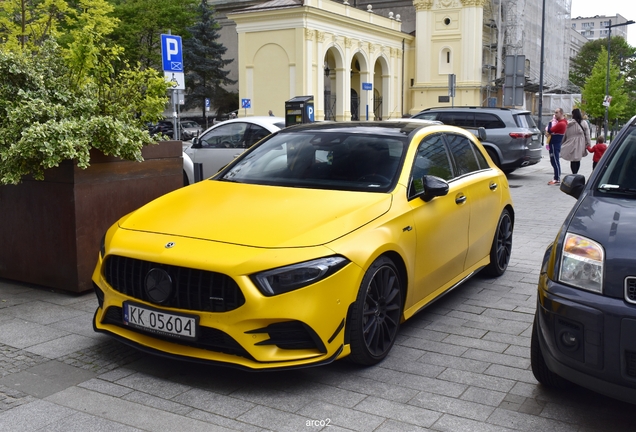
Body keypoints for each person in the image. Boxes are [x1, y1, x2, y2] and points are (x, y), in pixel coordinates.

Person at [560, 108, 591, 175]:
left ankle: (573, 173)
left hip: (570, 142)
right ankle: (575, 173)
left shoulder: (568, 123)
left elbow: (564, 134)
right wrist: (588, 143)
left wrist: (562, 142)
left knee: (572, 159)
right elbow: (587, 134)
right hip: (580, 143)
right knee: (577, 159)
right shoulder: (584, 123)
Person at [546, 108, 568, 185]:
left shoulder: (561, 123)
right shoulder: (562, 122)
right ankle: (556, 177)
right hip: (553, 144)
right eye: (554, 112)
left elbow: (550, 130)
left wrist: (550, 123)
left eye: (557, 112)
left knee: (555, 161)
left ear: (561, 113)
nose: (555, 114)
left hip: (554, 144)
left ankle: (557, 178)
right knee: (553, 161)